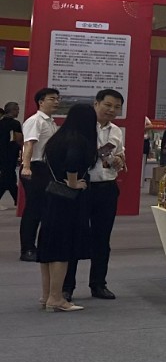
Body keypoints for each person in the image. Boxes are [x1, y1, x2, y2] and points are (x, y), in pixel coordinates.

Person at [64, 89, 125, 302]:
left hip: (107, 187)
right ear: (96, 103)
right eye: (108, 105)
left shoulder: (116, 131)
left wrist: (119, 160)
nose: (112, 110)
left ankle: (98, 284)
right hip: (83, 188)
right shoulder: (82, 127)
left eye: (116, 107)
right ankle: (67, 286)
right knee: (74, 236)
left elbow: (120, 154)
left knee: (102, 238)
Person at [36, 102, 95, 312]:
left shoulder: (57, 138)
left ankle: (46, 295)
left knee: (49, 246)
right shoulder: (79, 141)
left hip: (52, 195)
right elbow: (72, 162)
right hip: (68, 201)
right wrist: (73, 182)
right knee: (62, 248)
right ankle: (56, 297)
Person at [18, 87, 60, 262]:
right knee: (33, 209)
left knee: (45, 208)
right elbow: (29, 144)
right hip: (34, 168)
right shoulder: (35, 121)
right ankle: (27, 249)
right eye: (52, 98)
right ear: (41, 102)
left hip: (46, 169)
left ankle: (41, 246)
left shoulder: (51, 122)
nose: (56, 101)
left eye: (57, 98)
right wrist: (26, 166)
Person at [0, 102, 21, 209]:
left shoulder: (0, 123)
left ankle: (18, 200)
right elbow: (18, 139)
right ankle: (18, 200)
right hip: (10, 154)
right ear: (12, 110)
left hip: (1, 154)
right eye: (17, 109)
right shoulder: (15, 124)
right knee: (8, 177)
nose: (18, 112)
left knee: (9, 176)